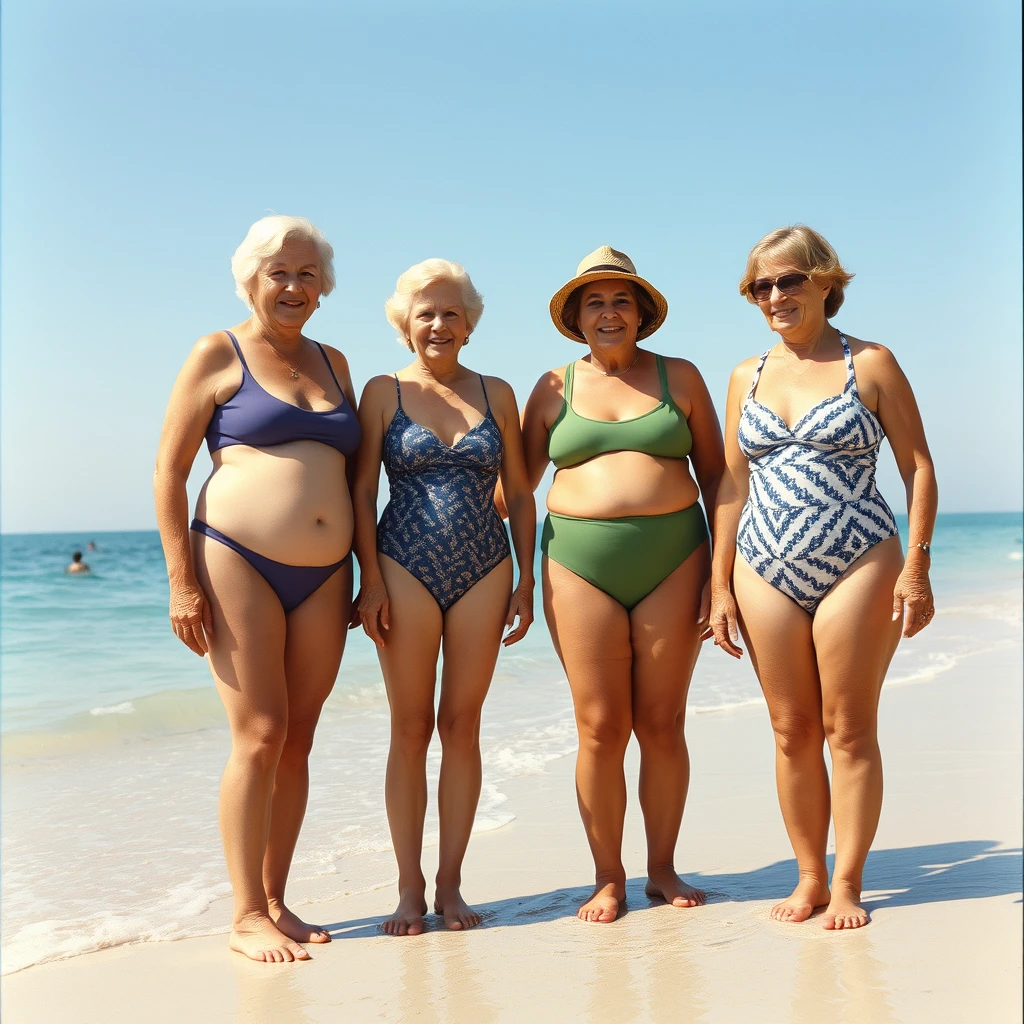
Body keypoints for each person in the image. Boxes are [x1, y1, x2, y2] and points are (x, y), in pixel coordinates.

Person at [709, 225, 937, 930]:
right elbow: (730, 486)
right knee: (789, 729)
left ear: (825, 281)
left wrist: (917, 567)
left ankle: (848, 882)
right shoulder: (744, 375)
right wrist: (718, 586)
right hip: (763, 564)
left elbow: (918, 467)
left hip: (860, 558)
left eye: (789, 280)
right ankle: (808, 875)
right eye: (761, 285)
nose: (775, 295)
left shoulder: (871, 363)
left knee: (847, 726)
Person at [154, 216, 360, 963]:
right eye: (281, 273)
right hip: (236, 556)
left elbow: (357, 479)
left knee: (298, 741)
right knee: (260, 734)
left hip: (329, 574)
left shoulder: (336, 362)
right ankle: (244, 914)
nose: (296, 287)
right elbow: (168, 472)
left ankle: (276, 898)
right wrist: (181, 582)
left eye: (309, 275)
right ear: (251, 278)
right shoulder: (219, 350)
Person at [519, 246, 724, 923]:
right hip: (578, 564)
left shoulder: (682, 378)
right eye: (595, 302)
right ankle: (608, 876)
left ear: (642, 313)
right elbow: (514, 490)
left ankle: (662, 869)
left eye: (622, 300)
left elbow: (721, 480)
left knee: (661, 723)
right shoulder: (550, 388)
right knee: (600, 727)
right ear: (577, 317)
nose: (610, 312)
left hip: (675, 559)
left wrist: (721, 580)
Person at [353, 259, 535, 935]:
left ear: (471, 322)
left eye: (452, 312)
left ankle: (452, 886)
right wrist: (367, 577)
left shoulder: (498, 393)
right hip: (402, 563)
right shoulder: (381, 392)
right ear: (405, 322)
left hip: (486, 568)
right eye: (426, 312)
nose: (439, 324)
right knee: (410, 728)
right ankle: (408, 890)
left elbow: (518, 491)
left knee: (462, 727)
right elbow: (361, 490)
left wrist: (526, 578)